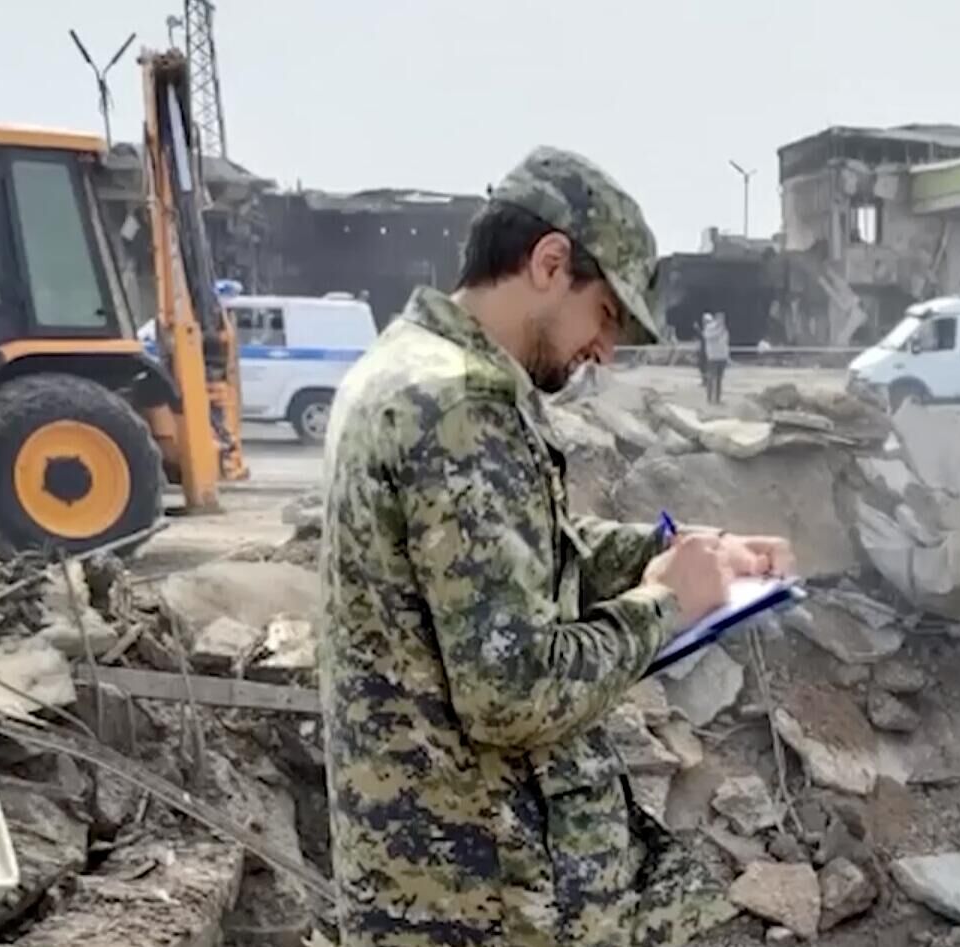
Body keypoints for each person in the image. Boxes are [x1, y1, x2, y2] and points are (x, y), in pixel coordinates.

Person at [318, 146, 794, 947]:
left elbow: (509, 561)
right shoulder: (457, 405)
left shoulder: (409, 367)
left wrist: (676, 551)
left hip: (441, 881)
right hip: (486, 897)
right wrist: (668, 602)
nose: (605, 351)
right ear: (549, 262)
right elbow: (512, 690)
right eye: (606, 314)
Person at [701, 312, 731, 405]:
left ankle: (717, 399)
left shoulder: (724, 330)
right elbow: (708, 337)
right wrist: (719, 331)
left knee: (719, 379)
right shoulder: (710, 328)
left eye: (723, 319)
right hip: (713, 357)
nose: (721, 321)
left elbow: (725, 343)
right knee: (711, 378)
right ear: (716, 319)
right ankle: (709, 398)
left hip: (722, 357)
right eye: (720, 319)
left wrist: (727, 355)